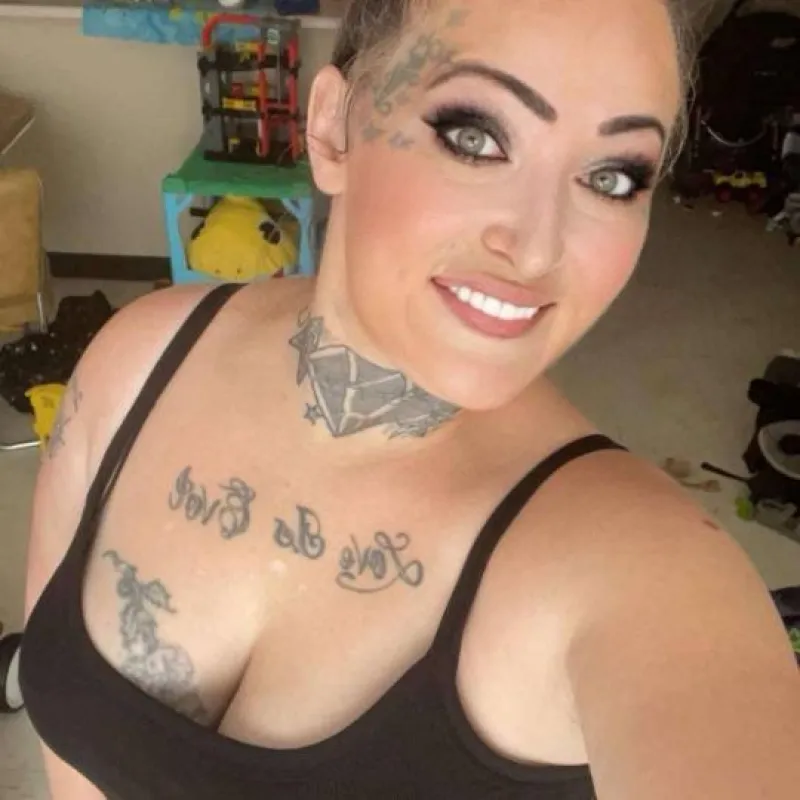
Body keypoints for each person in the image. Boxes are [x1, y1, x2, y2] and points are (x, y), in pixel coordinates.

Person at [19, 0, 800, 797]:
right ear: (332, 128)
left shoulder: (642, 570)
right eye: (475, 137)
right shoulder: (136, 362)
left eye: (613, 177)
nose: (537, 249)